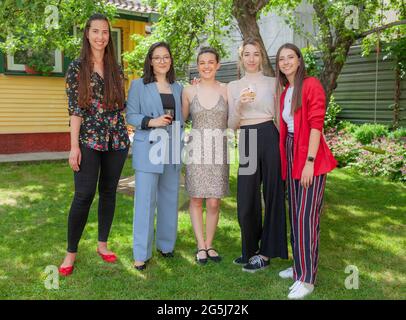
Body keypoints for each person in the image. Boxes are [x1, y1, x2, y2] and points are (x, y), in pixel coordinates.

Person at [59, 13, 130, 276]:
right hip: (89, 139)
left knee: (109, 192)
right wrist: (74, 147)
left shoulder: (116, 67)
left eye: (105, 32)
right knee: (84, 195)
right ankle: (70, 252)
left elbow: (120, 106)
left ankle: (102, 244)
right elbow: (75, 110)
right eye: (96, 31)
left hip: (117, 140)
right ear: (87, 34)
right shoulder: (76, 68)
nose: (101, 37)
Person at [275, 43, 337, 299]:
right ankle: (298, 266)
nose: (286, 62)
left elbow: (315, 125)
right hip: (291, 152)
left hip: (309, 155)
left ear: (299, 61)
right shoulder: (286, 90)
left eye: (291, 57)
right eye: (282, 59)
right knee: (295, 213)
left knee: (306, 218)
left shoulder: (310, 85)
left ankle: (307, 279)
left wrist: (309, 161)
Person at [227, 38, 288, 272]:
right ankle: (249, 249)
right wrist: (240, 106)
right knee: (246, 197)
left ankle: (266, 253)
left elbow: (281, 118)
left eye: (256, 54)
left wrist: (286, 147)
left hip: (269, 134)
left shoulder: (274, 83)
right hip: (247, 138)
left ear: (261, 57)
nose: (251, 59)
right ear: (241, 59)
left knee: (273, 193)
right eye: (247, 55)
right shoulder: (232, 86)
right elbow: (231, 124)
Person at [126, 42, 184, 271]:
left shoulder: (178, 87)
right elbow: (131, 115)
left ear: (170, 61)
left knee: (170, 199)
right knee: (145, 202)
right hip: (148, 146)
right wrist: (152, 122)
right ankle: (141, 254)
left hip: (172, 147)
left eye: (166, 57)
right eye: (157, 57)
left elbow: (183, 116)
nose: (162, 61)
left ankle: (166, 246)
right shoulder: (139, 85)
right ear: (150, 61)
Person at [182, 47, 229, 264]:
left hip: (219, 150)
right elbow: (181, 120)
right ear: (197, 66)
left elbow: (235, 119)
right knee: (196, 198)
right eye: (202, 62)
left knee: (213, 202)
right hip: (196, 150)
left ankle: (210, 244)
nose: (207, 66)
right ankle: (200, 245)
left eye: (211, 62)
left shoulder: (227, 90)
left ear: (218, 65)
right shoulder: (188, 91)